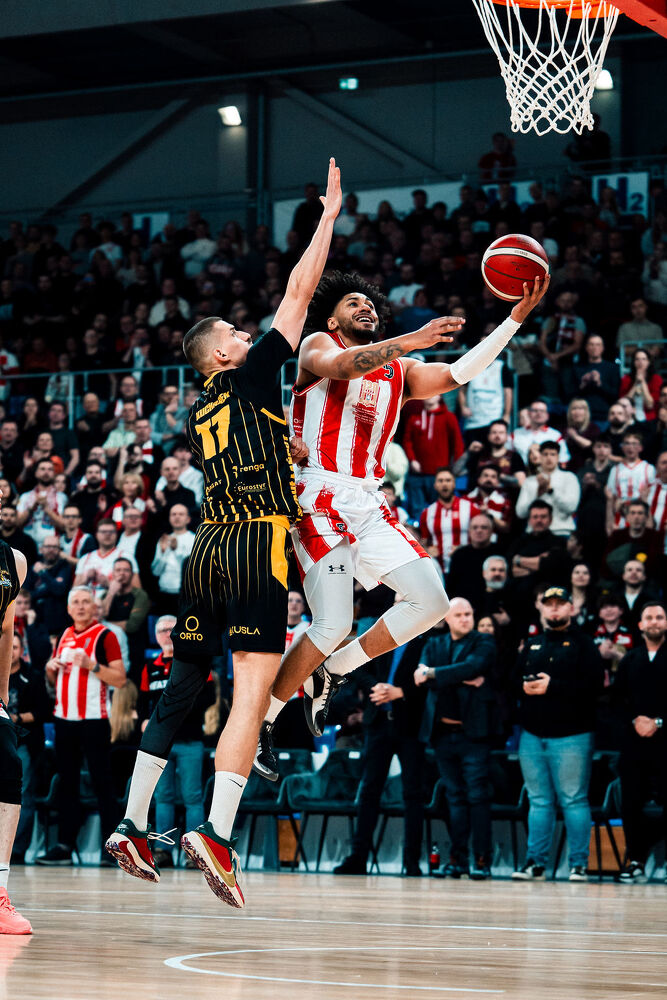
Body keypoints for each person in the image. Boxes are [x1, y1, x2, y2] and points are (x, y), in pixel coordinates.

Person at [105, 157, 343, 909]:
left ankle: (130, 822)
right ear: (221, 355)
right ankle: (215, 830)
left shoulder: (201, 407)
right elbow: (299, 293)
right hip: (252, 543)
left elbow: (257, 449)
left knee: (182, 686)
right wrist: (327, 219)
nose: (249, 334)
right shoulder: (249, 373)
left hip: (207, 546)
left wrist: (285, 450)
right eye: (238, 333)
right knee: (251, 690)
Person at [255, 268, 549, 779]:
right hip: (318, 494)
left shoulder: (401, 369)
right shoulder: (319, 345)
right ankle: (265, 720)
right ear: (333, 319)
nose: (365, 307)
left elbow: (458, 373)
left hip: (370, 500)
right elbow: (343, 367)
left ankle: (335, 669)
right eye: (353, 303)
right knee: (332, 622)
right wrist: (413, 338)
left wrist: (513, 320)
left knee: (432, 602)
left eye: (369, 303)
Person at [512, 586, 604, 882]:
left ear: (571, 609)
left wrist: (553, 686)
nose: (554, 608)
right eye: (549, 603)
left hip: (572, 734)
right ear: (541, 608)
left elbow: (595, 687)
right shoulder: (532, 643)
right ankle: (535, 863)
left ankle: (578, 864)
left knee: (573, 799)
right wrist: (523, 687)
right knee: (538, 800)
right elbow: (511, 681)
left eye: (560, 603)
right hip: (532, 733)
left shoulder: (584, 644)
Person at [415, 597, 499, 879]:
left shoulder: (484, 641)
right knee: (454, 797)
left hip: (473, 734)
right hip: (442, 734)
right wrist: (453, 675)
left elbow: (472, 667)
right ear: (446, 618)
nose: (465, 619)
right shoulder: (434, 643)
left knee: (477, 795)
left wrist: (433, 674)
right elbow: (418, 677)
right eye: (459, 615)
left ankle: (482, 860)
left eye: (468, 614)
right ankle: (458, 859)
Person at [138, 615, 215, 868]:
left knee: (192, 796)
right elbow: (142, 702)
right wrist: (144, 720)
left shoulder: (196, 661)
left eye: (171, 629)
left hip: (189, 739)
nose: (166, 633)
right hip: (160, 744)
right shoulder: (149, 667)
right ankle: (164, 850)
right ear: (156, 636)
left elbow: (209, 697)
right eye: (162, 630)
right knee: (163, 796)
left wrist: (177, 712)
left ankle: (194, 853)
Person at [614, 603, 667, 883]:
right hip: (634, 743)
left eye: (659, 617)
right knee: (631, 803)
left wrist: (658, 722)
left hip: (665, 742)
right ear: (640, 625)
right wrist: (635, 720)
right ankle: (635, 860)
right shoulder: (630, 659)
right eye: (649, 617)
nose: (654, 622)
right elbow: (616, 700)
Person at [0, 531, 29, 933]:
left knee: (8, 764)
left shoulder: (13, 560)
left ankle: (0, 892)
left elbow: (6, 629)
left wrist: (3, 693)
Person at [402, 396, 464, 517]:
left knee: (438, 509)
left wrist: (455, 468)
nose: (430, 397)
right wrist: (412, 460)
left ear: (439, 397)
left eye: (434, 394)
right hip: (417, 474)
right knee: (417, 511)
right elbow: (407, 442)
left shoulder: (449, 417)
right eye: (428, 395)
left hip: (439, 474)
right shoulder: (414, 418)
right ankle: (418, 528)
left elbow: (457, 444)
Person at [419, 468, 481, 575]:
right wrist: (427, 549)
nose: (444, 484)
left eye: (448, 480)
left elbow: (481, 538)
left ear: (454, 484)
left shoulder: (471, 508)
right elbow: (424, 541)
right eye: (440, 481)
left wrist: (463, 549)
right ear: (435, 485)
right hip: (438, 570)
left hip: (467, 566)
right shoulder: (427, 513)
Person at [516, 441, 580, 537]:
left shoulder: (569, 477)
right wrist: (537, 494)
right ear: (540, 457)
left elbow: (571, 507)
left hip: (561, 531)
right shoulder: (530, 481)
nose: (549, 458)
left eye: (553, 454)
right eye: (545, 454)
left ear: (558, 457)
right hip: (534, 533)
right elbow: (520, 513)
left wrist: (551, 491)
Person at [150, 504, 195, 615]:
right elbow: (156, 572)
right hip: (164, 592)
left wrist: (176, 550)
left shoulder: (194, 539)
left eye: (181, 514)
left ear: (188, 519)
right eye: (173, 514)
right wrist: (163, 552)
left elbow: (193, 569)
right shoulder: (163, 539)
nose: (177, 517)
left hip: (186, 595)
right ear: (169, 518)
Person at [508, 400, 570, 466]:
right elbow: (506, 456)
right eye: (535, 410)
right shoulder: (516, 434)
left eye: (542, 411)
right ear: (529, 413)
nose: (538, 413)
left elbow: (563, 460)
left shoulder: (555, 436)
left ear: (547, 415)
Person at [619, 348, 663, 423]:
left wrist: (642, 382)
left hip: (650, 418)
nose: (640, 362)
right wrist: (636, 383)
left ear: (648, 362)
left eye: (644, 359)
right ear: (633, 362)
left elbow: (650, 405)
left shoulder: (656, 379)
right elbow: (624, 403)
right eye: (637, 359)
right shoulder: (626, 379)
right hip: (630, 418)